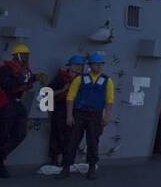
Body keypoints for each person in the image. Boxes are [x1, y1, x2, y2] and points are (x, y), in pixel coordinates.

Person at [59, 52, 113, 180]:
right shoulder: (80, 79)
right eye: (96, 64)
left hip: (96, 115)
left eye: (100, 64)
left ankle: (92, 168)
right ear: (90, 65)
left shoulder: (107, 81)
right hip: (79, 113)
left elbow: (109, 100)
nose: (98, 67)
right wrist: (69, 116)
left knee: (93, 141)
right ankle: (66, 167)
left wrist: (106, 116)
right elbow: (70, 98)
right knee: (72, 140)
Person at [0, 43, 34, 179]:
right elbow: (7, 85)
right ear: (17, 56)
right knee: (2, 136)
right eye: (24, 55)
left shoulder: (26, 70)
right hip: (5, 104)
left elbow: (28, 82)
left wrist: (34, 78)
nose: (26, 58)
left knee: (20, 134)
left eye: (27, 55)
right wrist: (23, 85)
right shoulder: (5, 70)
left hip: (17, 103)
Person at [47, 56, 85, 167]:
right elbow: (48, 93)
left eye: (81, 66)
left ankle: (67, 160)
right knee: (58, 133)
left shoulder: (82, 80)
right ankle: (55, 159)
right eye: (77, 65)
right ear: (71, 66)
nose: (80, 68)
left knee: (72, 135)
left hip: (75, 110)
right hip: (61, 108)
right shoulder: (60, 78)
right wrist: (63, 90)